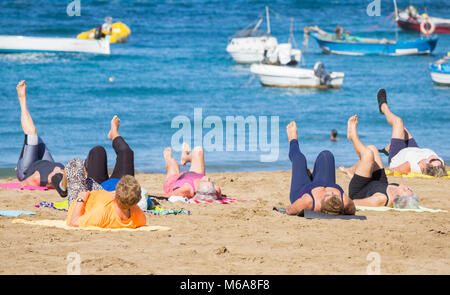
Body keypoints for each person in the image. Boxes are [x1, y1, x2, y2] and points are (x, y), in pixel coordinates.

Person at [64, 116, 145, 229]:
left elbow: (74, 222)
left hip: (87, 197)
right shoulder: (139, 217)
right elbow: (133, 204)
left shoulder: (102, 214)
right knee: (127, 153)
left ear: (115, 196)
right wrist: (122, 196)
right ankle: (114, 133)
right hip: (109, 194)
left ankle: (63, 186)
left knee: (82, 159)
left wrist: (81, 199)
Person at [339, 115, 418, 207]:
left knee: (368, 154)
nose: (405, 186)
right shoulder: (396, 188)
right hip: (379, 182)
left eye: (405, 190)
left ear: (398, 197)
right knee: (372, 149)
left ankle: (353, 137)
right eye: (409, 189)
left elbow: (354, 202)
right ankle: (353, 171)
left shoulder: (381, 199)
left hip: (360, 188)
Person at [286, 121, 355, 216]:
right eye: (335, 195)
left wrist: (310, 208)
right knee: (327, 155)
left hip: (302, 190)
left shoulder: (308, 202)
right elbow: (352, 209)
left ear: (319, 205)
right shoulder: (345, 202)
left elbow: (289, 210)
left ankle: (292, 140)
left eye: (327, 195)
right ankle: (311, 176)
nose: (330, 192)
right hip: (321, 182)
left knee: (299, 159)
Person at [64, 115, 136, 205]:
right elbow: (141, 201)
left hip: (97, 189)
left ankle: (85, 168)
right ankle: (114, 133)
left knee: (98, 150)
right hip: (121, 187)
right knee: (127, 152)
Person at [377, 89, 446, 177]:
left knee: (398, 122)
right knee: (401, 128)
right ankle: (388, 148)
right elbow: (438, 166)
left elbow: (393, 170)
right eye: (437, 160)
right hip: (414, 150)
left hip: (399, 153)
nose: (434, 157)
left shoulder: (412, 166)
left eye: (432, 161)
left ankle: (383, 107)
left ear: (424, 166)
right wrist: (437, 161)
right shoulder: (439, 165)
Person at [15, 80, 66, 196]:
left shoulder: (39, 178)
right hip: (44, 162)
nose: (60, 170)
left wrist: (23, 177)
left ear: (52, 177)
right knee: (38, 140)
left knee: (32, 135)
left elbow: (24, 183)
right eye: (62, 172)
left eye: (58, 172)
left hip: (26, 169)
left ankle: (22, 100)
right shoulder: (63, 175)